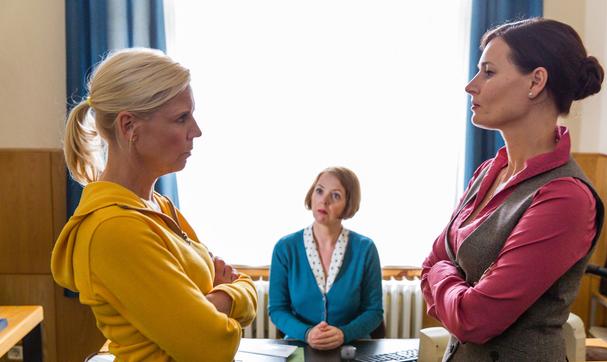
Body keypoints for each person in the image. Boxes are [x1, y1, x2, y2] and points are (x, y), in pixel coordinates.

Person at [51, 48, 257, 362]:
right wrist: (223, 299)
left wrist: (213, 302)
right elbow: (211, 345)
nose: (196, 131)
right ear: (129, 126)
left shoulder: (156, 205)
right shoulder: (115, 229)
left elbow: (246, 287)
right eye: (181, 118)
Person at [420, 18, 605, 361]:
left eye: (488, 72)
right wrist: (452, 280)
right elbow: (428, 264)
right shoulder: (489, 172)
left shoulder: (566, 197)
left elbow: (473, 319)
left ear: (536, 81)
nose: (470, 86)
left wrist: (443, 273)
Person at [268, 167, 383, 350]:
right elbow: (277, 310)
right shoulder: (285, 248)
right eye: (319, 191)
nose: (324, 200)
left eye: (335, 195)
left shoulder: (365, 249)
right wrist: (307, 333)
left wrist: (344, 333)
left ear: (348, 204)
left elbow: (374, 312)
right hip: (299, 347)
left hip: (352, 348)